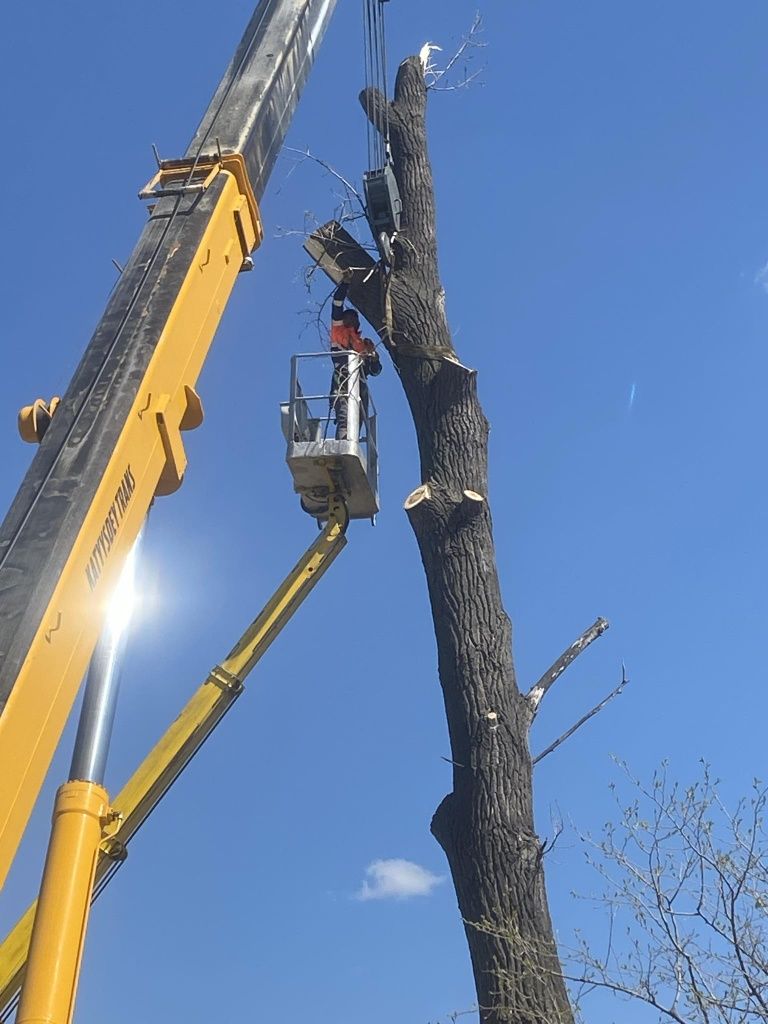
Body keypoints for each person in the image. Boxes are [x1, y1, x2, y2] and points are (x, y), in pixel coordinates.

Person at [329, 277, 381, 440]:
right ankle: (342, 447)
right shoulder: (338, 331)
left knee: (357, 421)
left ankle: (350, 447)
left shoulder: (363, 344)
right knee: (345, 417)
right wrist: (346, 282)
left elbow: (376, 371)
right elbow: (337, 302)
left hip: (361, 387)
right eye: (349, 316)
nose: (352, 319)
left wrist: (373, 357)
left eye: (355, 317)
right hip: (343, 381)